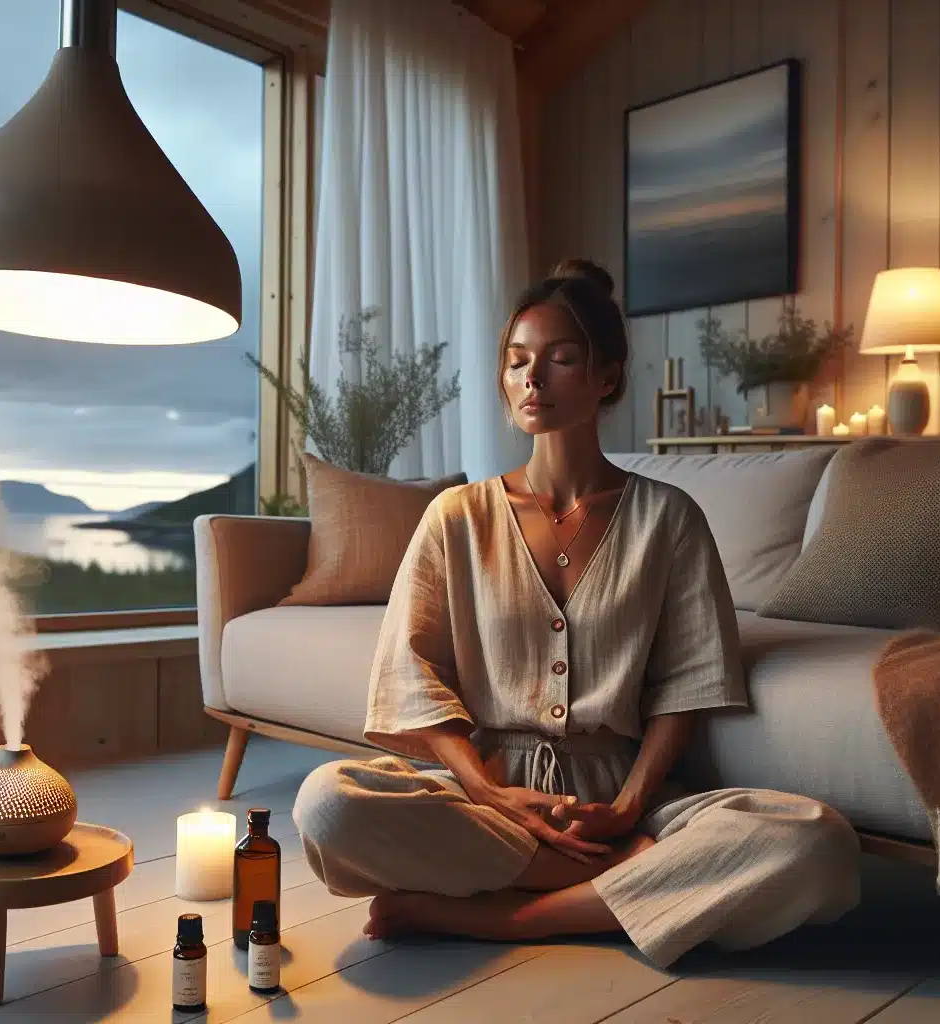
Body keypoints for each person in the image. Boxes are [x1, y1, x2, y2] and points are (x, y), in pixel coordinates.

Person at [291, 259, 860, 967]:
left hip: (622, 803)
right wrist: (490, 793)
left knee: (818, 843)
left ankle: (515, 918)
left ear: (608, 377)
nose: (533, 379)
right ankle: (617, 884)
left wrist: (624, 811)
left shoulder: (669, 520)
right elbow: (413, 676)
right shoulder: (456, 518)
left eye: (561, 359)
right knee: (328, 804)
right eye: (517, 361)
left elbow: (688, 687)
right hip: (489, 800)